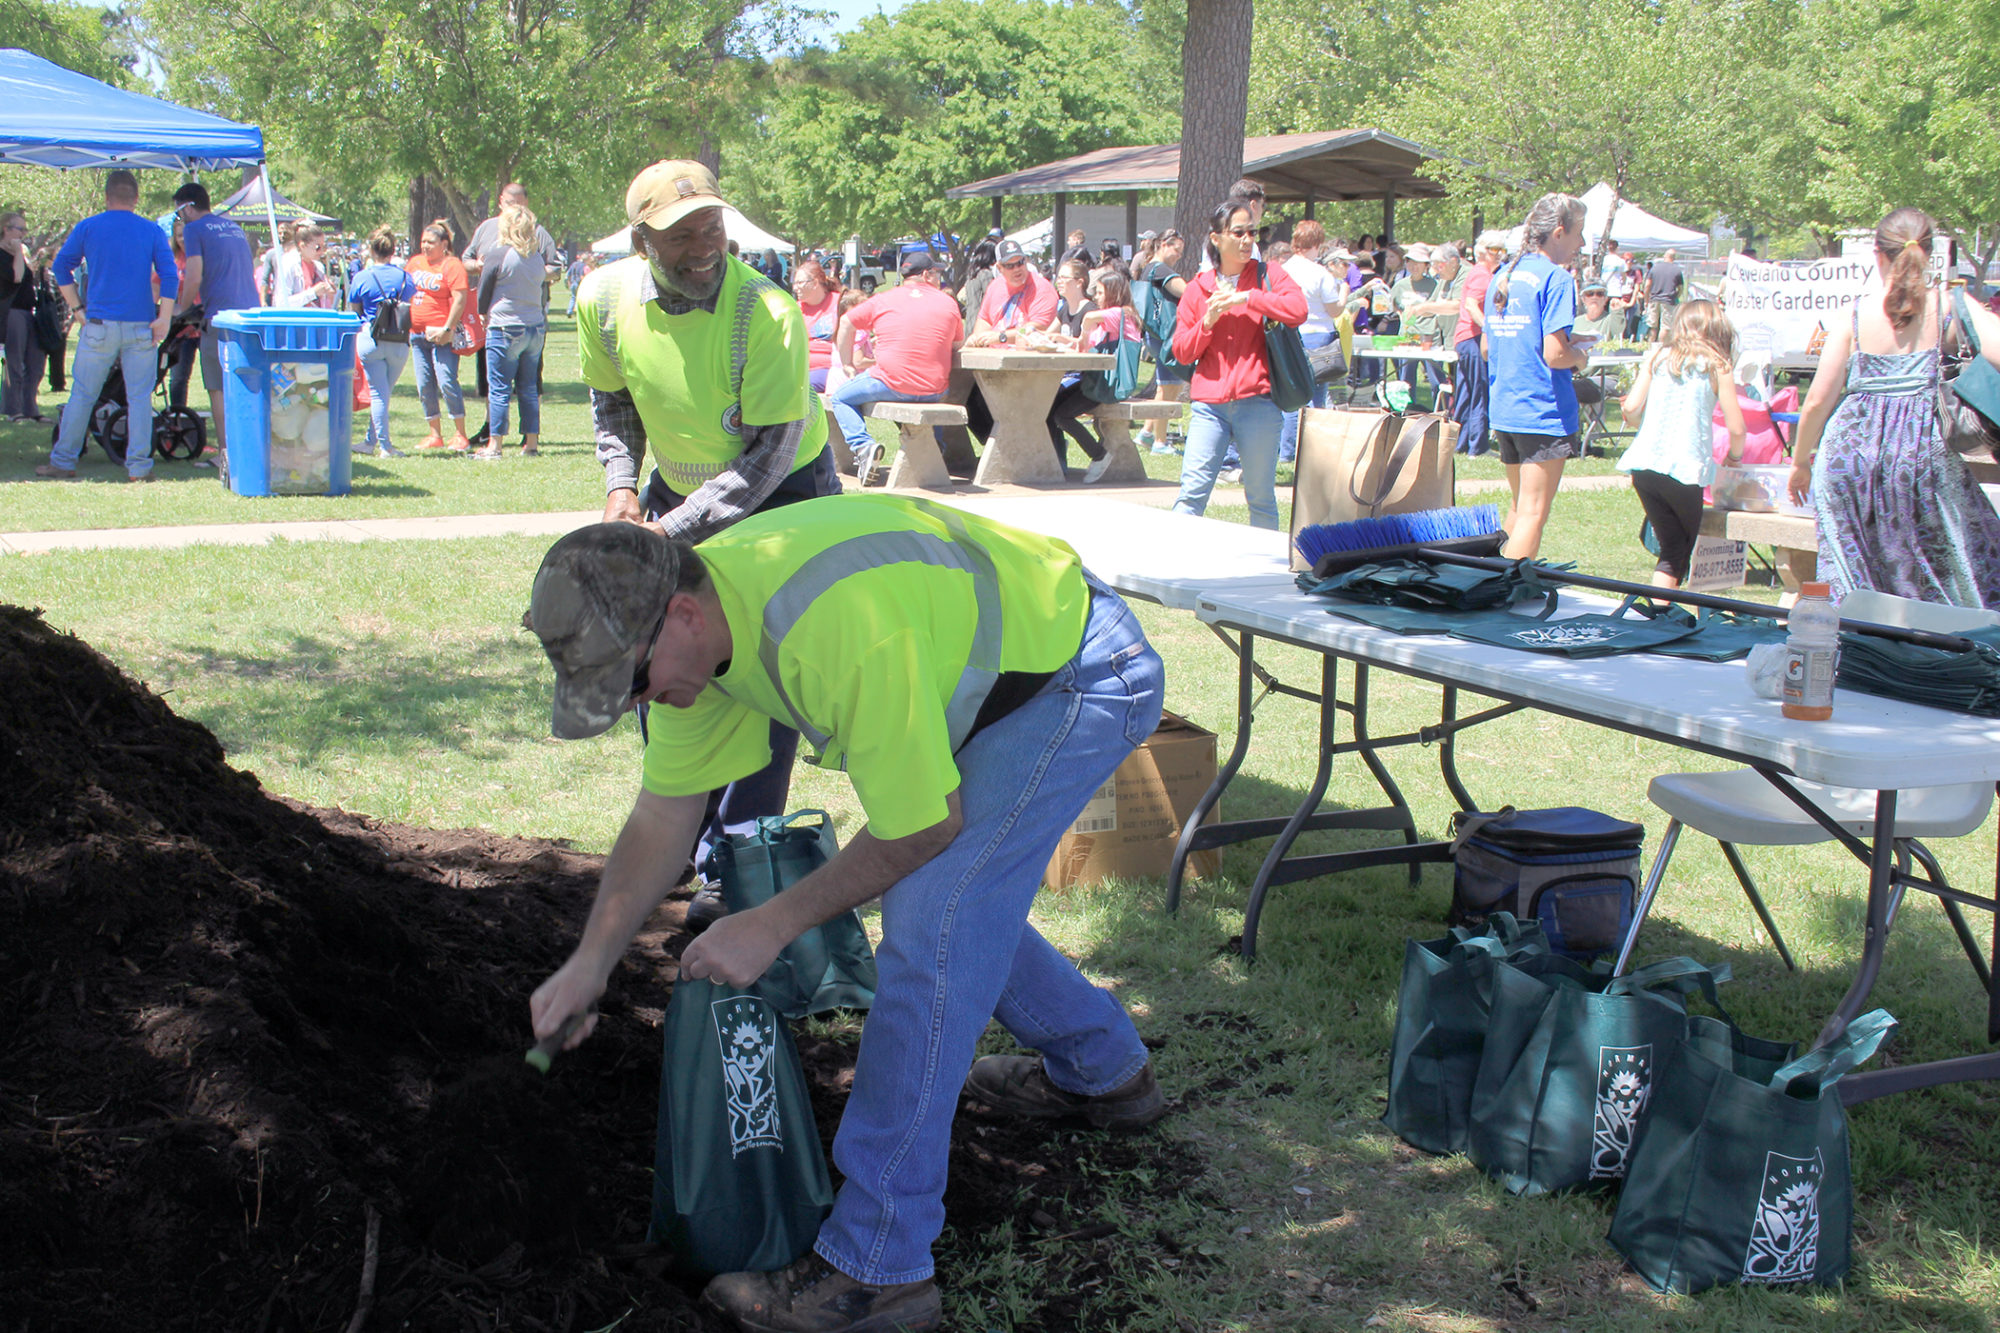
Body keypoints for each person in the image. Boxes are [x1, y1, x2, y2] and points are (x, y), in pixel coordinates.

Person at [523, 496, 1169, 1333]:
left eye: (634, 682)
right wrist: (589, 962)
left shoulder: (826, 625)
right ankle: (1105, 1070)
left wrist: (771, 921)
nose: (642, 701)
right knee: (953, 904)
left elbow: (923, 825)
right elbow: (662, 817)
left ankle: (879, 1266)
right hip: (999, 676)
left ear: (679, 613)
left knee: (934, 917)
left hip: (1077, 674)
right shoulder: (703, 645)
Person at [577, 159, 841, 872]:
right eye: (681, 234)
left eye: (713, 227)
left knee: (760, 672)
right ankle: (680, 835)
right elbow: (614, 403)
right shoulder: (602, 301)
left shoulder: (768, 314)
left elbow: (767, 459)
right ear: (640, 243)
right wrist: (621, 487)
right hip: (675, 493)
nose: (703, 247)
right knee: (663, 656)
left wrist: (666, 532)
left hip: (785, 499)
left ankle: (738, 857)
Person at [1786, 208, 2000, 606]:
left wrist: (1800, 463)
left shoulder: (1853, 313)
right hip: (1922, 458)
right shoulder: (1951, 307)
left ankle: (1857, 655)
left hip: (1848, 458)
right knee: (1953, 575)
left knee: (1853, 584)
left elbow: (1816, 400)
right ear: (1930, 252)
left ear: (1877, 254)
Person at [1169, 198, 1307, 529]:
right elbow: (1182, 352)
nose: (1247, 240)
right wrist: (1208, 322)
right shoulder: (1197, 289)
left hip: (1258, 402)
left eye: (1252, 232)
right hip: (1209, 407)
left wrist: (1249, 297)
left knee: (1260, 498)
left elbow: (1298, 309)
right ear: (1217, 239)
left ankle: (1264, 576)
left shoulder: (1268, 275)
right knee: (1190, 496)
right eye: (1238, 232)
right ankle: (1171, 567)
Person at [35, 170, 176, 483]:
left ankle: (64, 460)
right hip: (141, 324)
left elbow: (60, 268)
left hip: (98, 323)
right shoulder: (151, 230)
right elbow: (169, 275)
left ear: (107, 197)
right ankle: (139, 467)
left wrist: (76, 309)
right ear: (136, 199)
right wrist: (164, 316)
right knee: (140, 398)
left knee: (83, 394)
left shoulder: (89, 226)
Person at [1484, 193, 1590, 559]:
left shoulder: (1504, 275)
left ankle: (1494, 583)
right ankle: (1506, 595)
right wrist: (1580, 357)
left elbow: (1488, 347)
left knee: (1518, 507)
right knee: (1532, 513)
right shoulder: (1557, 279)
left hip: (1506, 407)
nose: (1582, 244)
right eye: (1579, 234)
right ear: (1558, 233)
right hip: (1541, 409)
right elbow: (1555, 354)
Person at [1617, 301, 1748, 587]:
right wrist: (1734, 458)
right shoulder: (1718, 365)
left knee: (1671, 548)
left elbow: (1632, 408)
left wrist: (1645, 424)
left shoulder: (1659, 357)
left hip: (1644, 465)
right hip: (1685, 469)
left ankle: (1658, 613)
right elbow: (1737, 428)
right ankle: (1663, 614)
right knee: (1678, 550)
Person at [826, 252, 964, 469]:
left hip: (890, 383)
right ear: (926, 274)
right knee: (927, 398)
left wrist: (847, 365)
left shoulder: (883, 299)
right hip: (935, 389)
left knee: (840, 398)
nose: (940, 278)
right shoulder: (948, 302)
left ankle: (863, 447)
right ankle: (936, 447)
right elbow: (957, 343)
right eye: (937, 273)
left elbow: (845, 323)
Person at [170, 182, 259, 458]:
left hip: (219, 318)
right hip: (249, 316)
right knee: (248, 384)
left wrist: (180, 308)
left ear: (188, 207)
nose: (179, 220)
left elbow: (194, 274)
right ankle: (250, 448)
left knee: (218, 389)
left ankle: (226, 453)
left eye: (178, 213)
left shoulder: (195, 229)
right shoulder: (233, 227)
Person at [1048, 269, 1140, 483]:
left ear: (1114, 293)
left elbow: (1089, 317)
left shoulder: (1123, 315)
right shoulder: (1109, 319)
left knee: (1062, 415)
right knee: (1049, 404)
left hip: (1109, 384)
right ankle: (1055, 460)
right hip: (1096, 379)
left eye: (1100, 292)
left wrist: (1084, 332)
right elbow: (1087, 347)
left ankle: (1099, 455)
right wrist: (1063, 340)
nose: (1096, 297)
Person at [475, 204, 550, 459]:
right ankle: (531, 444)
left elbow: (484, 291)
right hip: (535, 327)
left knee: (499, 387)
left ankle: (494, 445)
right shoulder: (537, 257)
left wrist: (483, 312)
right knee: (529, 387)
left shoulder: (498, 254)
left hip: (505, 326)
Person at [1276, 222, 1348, 463]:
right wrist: (1345, 292)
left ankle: (1287, 450)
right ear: (1316, 244)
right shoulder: (1320, 273)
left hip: (1290, 335)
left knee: (1292, 395)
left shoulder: (1283, 270)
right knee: (1317, 397)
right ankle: (1314, 452)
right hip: (1318, 336)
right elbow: (1334, 309)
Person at [347, 225, 415, 457]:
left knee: (378, 394)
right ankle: (372, 442)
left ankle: (381, 445)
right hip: (398, 340)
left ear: (371, 250)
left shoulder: (362, 277)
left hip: (371, 339)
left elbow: (354, 310)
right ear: (392, 250)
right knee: (384, 393)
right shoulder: (405, 277)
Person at [405, 220, 473, 452]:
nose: (425, 246)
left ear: (444, 244)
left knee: (446, 382)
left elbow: (460, 298)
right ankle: (435, 433)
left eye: (430, 242)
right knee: (424, 385)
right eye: (423, 241)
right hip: (417, 336)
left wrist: (447, 328)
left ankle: (460, 434)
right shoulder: (414, 263)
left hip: (442, 336)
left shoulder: (451, 264)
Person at [1450, 230, 1508, 457]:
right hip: (1473, 338)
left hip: (1465, 338)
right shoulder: (1482, 275)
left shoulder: (1480, 273)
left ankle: (1460, 443)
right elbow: (1472, 305)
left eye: (1502, 250)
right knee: (1480, 391)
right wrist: (1489, 328)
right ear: (1482, 251)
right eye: (1494, 250)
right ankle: (1479, 446)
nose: (1499, 254)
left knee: (1466, 392)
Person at [1136, 229, 1189, 454]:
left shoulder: (1148, 268)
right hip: (1164, 336)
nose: (1179, 256)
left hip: (1154, 335)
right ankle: (1159, 441)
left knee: (1167, 386)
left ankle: (1146, 433)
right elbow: (1187, 291)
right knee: (1168, 388)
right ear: (1165, 245)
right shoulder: (1160, 269)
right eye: (1177, 250)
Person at [2, 211, 49, 423]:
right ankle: (13, 409)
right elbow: (17, 277)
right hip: (11, 313)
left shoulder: (20, 254)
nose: (23, 233)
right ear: (6, 229)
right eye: (20, 229)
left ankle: (31, 408)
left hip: (30, 312)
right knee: (15, 363)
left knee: (36, 362)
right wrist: (19, 254)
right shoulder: (5, 254)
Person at [791, 259, 843, 393]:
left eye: (800, 283)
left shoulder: (839, 303)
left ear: (815, 283)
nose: (795, 288)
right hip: (801, 369)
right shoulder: (796, 310)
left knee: (798, 387)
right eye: (794, 283)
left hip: (831, 368)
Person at [273, 225, 337, 308]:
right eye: (318, 247)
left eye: (324, 247)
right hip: (295, 319)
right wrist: (313, 293)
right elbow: (281, 303)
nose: (322, 251)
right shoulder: (289, 264)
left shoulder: (319, 267)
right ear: (302, 246)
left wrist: (329, 293)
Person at [1645, 248, 1684, 342]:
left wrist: (1647, 300)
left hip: (1654, 299)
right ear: (1674, 258)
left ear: (1665, 256)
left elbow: (1647, 286)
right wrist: (1676, 297)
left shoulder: (1654, 268)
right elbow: (1681, 289)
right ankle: (1661, 347)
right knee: (1665, 327)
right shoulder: (1677, 270)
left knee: (1652, 326)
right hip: (1668, 301)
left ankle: (1651, 348)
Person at [257, 221, 296, 306]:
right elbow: (265, 279)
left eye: (285, 233)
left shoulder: (298, 252)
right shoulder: (272, 254)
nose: (282, 236)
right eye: (280, 233)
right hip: (279, 297)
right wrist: (263, 301)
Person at [958, 241, 997, 325]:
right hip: (982, 324)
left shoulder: (971, 277)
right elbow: (991, 300)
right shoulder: (986, 275)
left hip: (970, 322)